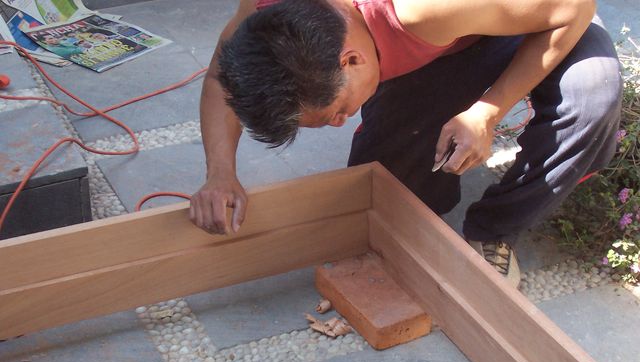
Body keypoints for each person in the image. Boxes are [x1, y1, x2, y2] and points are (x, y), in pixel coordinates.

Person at [190, 0, 623, 287]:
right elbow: (223, 75)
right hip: (451, 39)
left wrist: (487, 110)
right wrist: (220, 172)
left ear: (351, 59)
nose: (341, 123)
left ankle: (494, 227)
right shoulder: (268, 16)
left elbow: (573, 7)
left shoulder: (424, 7)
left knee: (592, 97)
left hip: (537, 13)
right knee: (389, 193)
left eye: (336, 111)